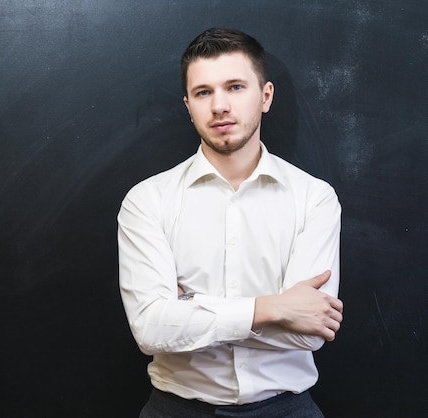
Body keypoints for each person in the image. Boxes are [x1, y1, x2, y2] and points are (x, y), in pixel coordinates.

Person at [117, 28, 343, 417]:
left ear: (265, 96)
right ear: (188, 105)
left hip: (287, 409)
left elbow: (309, 332)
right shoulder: (147, 201)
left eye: (235, 87)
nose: (219, 105)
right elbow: (151, 330)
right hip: (176, 409)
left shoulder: (314, 198)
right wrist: (274, 308)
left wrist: (191, 307)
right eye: (204, 92)